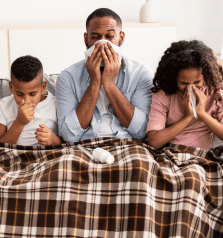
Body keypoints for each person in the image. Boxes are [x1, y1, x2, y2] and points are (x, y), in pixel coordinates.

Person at [55, 8, 154, 143]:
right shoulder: (67, 77)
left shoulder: (141, 74)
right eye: (95, 37)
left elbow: (141, 132)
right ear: (86, 39)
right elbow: (68, 136)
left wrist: (109, 84)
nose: (102, 44)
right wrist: (95, 83)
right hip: (84, 145)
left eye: (109, 36)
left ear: (121, 37)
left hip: (128, 143)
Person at [146, 40, 223, 150]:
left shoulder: (217, 96)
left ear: (205, 76)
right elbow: (154, 141)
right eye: (184, 83)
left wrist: (201, 113)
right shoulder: (163, 95)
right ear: (174, 77)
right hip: (170, 152)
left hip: (201, 155)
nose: (190, 88)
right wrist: (188, 116)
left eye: (197, 82)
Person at [0, 55, 61, 146]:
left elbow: (69, 141)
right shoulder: (4, 105)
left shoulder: (56, 104)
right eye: (19, 94)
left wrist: (54, 140)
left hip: (48, 155)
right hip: (15, 156)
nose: (26, 100)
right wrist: (19, 123)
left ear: (43, 87)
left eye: (32, 94)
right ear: (11, 87)